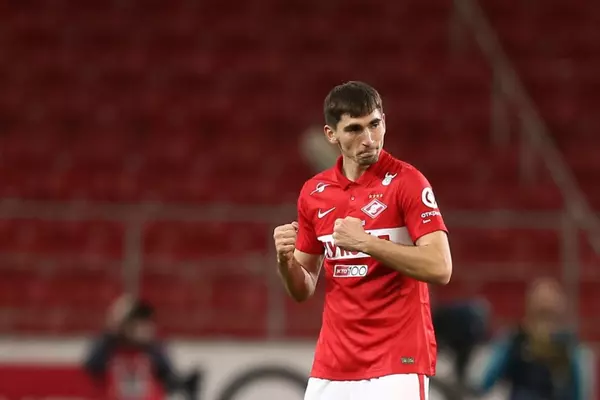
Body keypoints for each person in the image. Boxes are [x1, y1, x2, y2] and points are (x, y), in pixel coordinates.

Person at [273, 81, 452, 400]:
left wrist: (367, 243)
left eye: (375, 124)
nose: (369, 139)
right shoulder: (314, 193)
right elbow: (303, 288)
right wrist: (285, 262)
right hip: (333, 363)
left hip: (398, 361)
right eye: (355, 129)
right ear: (331, 135)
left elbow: (440, 266)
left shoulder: (407, 183)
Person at [477, 278, 586, 400]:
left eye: (549, 315)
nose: (545, 324)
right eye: (541, 314)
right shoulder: (515, 340)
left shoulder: (568, 347)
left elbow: (578, 392)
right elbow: (487, 380)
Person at [83, 295, 199, 400]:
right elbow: (90, 371)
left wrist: (185, 383)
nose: (145, 328)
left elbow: (168, 380)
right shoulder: (106, 349)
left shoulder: (155, 351)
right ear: (123, 326)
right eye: (139, 323)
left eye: (147, 323)